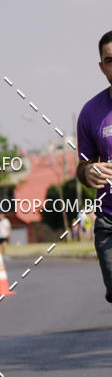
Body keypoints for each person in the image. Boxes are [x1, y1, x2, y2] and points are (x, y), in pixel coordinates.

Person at [76, 30, 112, 301]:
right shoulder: (90, 112)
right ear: (101, 67)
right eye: (110, 60)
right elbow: (83, 166)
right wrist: (87, 172)